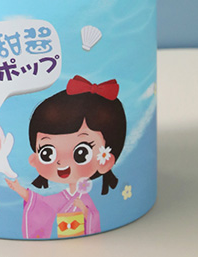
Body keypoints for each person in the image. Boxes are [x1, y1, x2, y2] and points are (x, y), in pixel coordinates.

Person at [7, 75, 126, 239]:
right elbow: (42, 205)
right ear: (34, 159)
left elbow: (93, 216)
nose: (61, 162)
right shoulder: (63, 197)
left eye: (81, 153)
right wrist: (20, 190)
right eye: (47, 152)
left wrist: (84, 210)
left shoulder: (84, 199)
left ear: (105, 161)